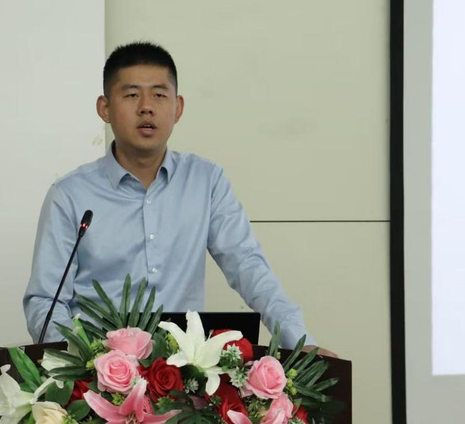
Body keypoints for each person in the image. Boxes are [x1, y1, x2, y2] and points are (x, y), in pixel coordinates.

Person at [23, 42, 335, 356]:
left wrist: (300, 341)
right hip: (98, 371)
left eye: (159, 95)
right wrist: (75, 363)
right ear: (105, 108)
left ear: (178, 107)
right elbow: (46, 300)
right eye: (131, 95)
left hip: (184, 373)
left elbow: (248, 266)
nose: (146, 107)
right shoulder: (70, 194)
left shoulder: (205, 181)